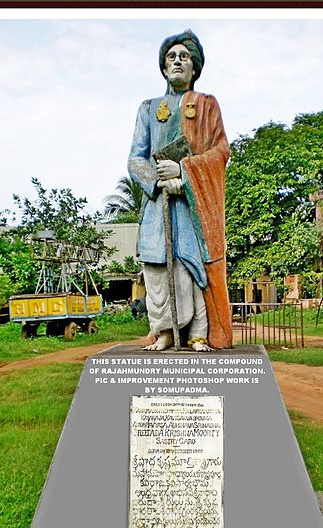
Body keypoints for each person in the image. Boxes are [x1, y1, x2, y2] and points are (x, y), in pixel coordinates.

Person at [128, 29, 232, 351]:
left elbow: (221, 151)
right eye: (171, 57)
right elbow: (135, 158)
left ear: (194, 67)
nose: (177, 61)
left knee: (189, 264)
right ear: (163, 66)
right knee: (157, 266)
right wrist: (159, 180)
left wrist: (184, 172)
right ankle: (164, 332)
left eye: (184, 57)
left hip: (190, 203)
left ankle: (198, 332)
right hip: (157, 203)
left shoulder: (206, 105)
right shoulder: (149, 107)